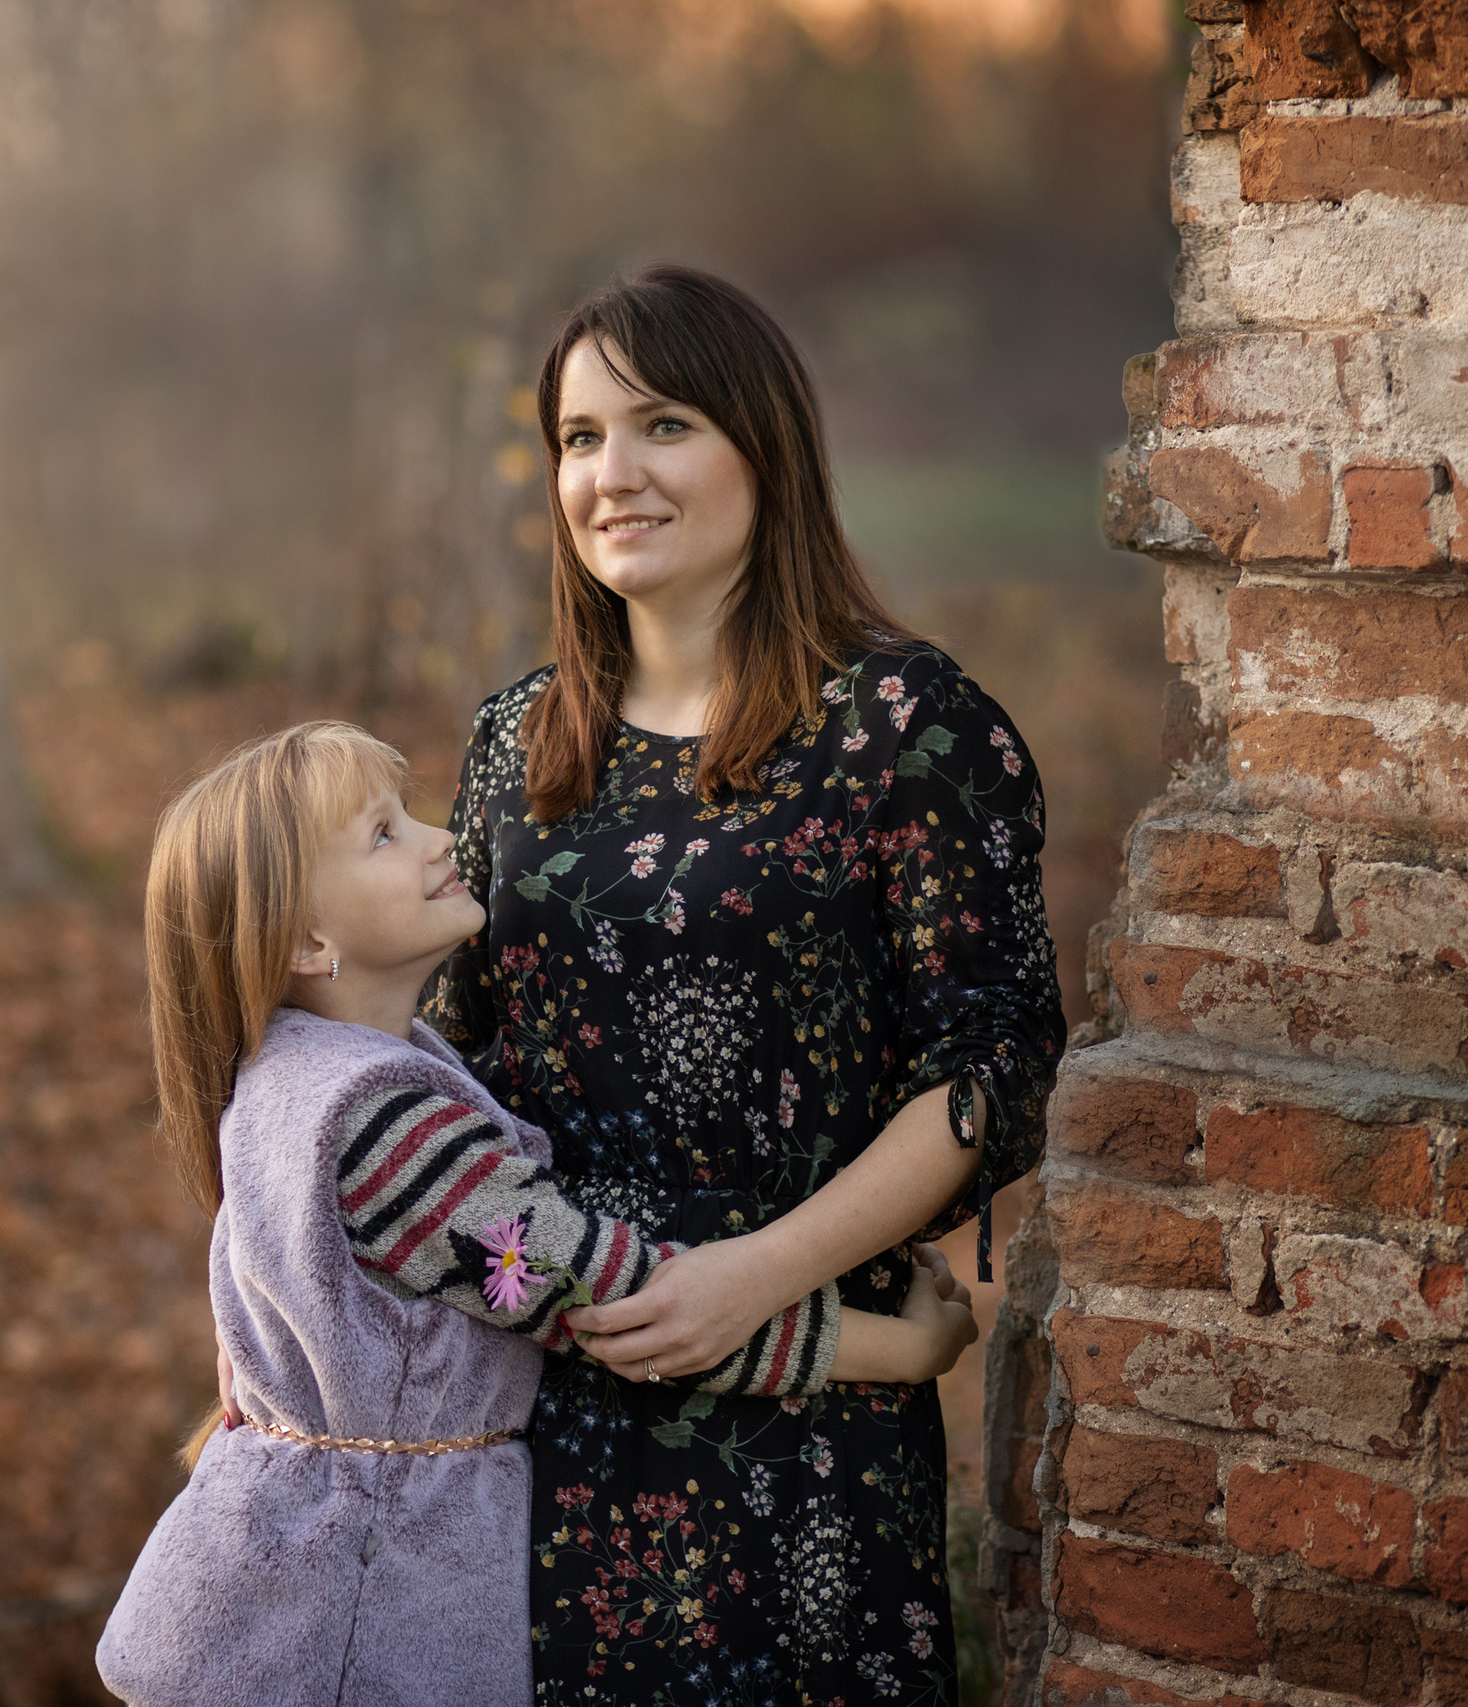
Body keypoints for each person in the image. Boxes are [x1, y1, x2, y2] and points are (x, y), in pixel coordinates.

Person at [423, 264, 1067, 1703]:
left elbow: (992, 1071)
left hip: (807, 1418)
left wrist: (755, 1281)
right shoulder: (515, 745)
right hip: (532, 1408)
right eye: (580, 439)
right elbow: (436, 1085)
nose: (613, 474)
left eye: (662, 425)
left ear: (763, 448)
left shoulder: (907, 728)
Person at [96, 721, 980, 1707]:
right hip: (348, 1615)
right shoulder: (389, 1134)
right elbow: (621, 1303)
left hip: (290, 1574)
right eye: (384, 835)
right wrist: (898, 1352)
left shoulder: (293, 1081)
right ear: (307, 941)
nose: (440, 839)